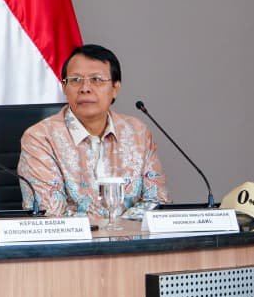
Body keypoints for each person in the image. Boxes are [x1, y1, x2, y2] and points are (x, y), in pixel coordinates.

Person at [20, 44, 168, 216]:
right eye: (75, 80)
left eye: (96, 79)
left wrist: (116, 228)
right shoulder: (40, 138)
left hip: (129, 235)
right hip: (76, 237)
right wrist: (113, 227)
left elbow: (157, 201)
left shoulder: (138, 133)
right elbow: (50, 214)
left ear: (115, 88)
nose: (85, 88)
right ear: (64, 88)